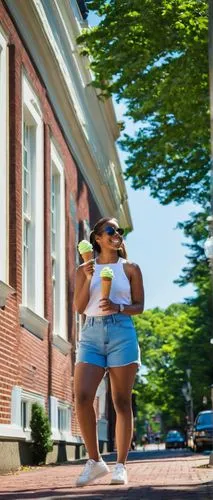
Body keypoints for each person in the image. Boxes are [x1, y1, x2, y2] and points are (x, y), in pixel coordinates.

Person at [74, 217, 144, 487]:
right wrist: (89, 276)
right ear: (97, 239)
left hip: (121, 332)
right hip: (91, 334)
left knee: (121, 401)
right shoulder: (84, 269)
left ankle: (120, 466)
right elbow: (79, 308)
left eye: (119, 230)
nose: (116, 234)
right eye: (110, 230)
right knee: (81, 397)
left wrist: (119, 307)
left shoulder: (130, 269)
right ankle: (95, 461)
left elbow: (139, 305)